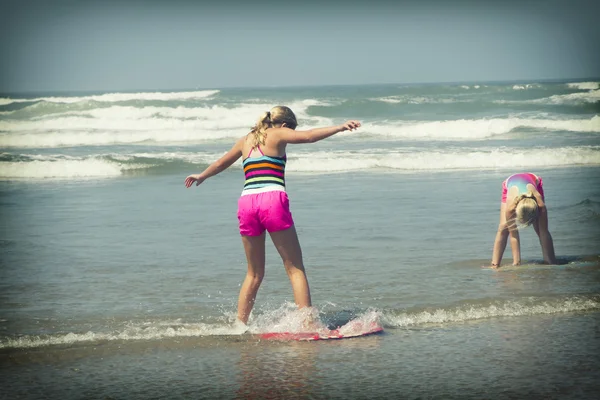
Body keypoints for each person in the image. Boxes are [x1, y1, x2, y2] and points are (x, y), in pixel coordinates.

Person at [185, 106, 361, 325]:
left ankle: (240, 326)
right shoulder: (278, 133)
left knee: (254, 273)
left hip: (247, 203)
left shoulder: (246, 139)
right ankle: (307, 325)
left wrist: (201, 175)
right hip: (272, 200)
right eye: (292, 129)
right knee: (295, 268)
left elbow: (222, 162)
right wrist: (339, 127)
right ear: (285, 125)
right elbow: (308, 137)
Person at [490, 172, 557, 268]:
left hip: (534, 182)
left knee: (540, 228)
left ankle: (549, 260)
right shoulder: (510, 208)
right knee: (503, 227)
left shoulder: (540, 205)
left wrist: (551, 265)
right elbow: (514, 235)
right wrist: (516, 263)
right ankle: (495, 264)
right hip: (510, 183)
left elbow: (544, 232)